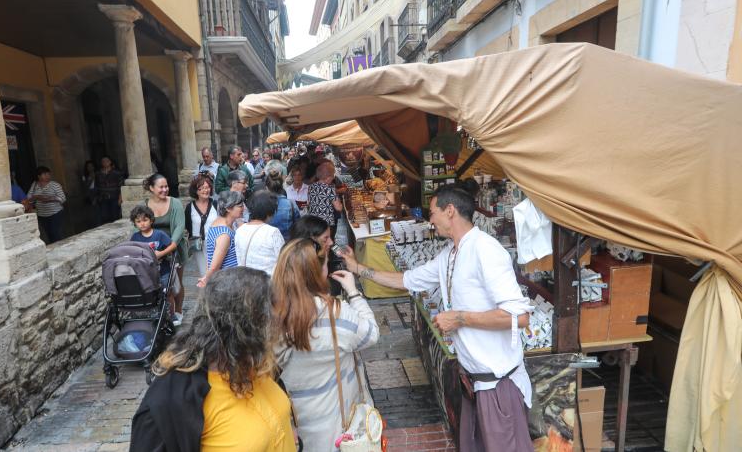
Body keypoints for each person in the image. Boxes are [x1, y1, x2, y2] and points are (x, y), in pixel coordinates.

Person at [337, 185, 534, 452]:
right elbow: (406, 280)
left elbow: (519, 316)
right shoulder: (450, 255)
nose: (430, 220)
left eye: (433, 213)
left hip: (498, 387)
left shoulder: (485, 250)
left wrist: (460, 319)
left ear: (450, 211)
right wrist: (358, 269)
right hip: (474, 383)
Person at [130, 266, 297, 452]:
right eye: (273, 309)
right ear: (248, 326)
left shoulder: (257, 364)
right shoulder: (174, 399)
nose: (281, 318)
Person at [272, 239, 378, 452]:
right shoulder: (335, 313)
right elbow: (371, 334)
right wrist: (354, 293)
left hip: (297, 421)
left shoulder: (273, 313)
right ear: (318, 272)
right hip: (338, 423)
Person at [144, 173, 188, 327]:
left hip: (174, 248)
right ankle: (166, 311)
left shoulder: (175, 203)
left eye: (166, 186)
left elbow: (179, 227)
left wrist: (170, 247)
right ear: (151, 188)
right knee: (162, 284)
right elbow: (138, 225)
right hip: (153, 251)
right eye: (161, 187)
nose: (165, 189)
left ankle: (179, 311)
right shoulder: (145, 205)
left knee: (177, 283)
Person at [129, 205, 176, 313]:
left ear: (151, 220)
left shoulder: (159, 234)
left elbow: (173, 246)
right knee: (150, 293)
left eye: (145, 220)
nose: (142, 223)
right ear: (135, 223)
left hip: (163, 271)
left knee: (167, 293)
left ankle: (171, 315)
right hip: (145, 273)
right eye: (138, 221)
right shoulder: (135, 237)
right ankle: (156, 314)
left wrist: (161, 253)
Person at [197, 190, 244, 287]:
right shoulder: (224, 234)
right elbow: (214, 266)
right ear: (228, 208)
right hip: (227, 283)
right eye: (240, 206)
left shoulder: (218, 223)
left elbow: (209, 258)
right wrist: (206, 279)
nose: (243, 208)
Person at [234, 191, 284, 276]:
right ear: (270, 211)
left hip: (245, 281)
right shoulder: (272, 232)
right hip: (267, 283)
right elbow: (283, 260)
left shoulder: (240, 230)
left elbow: (239, 258)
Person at [184, 175, 218, 279]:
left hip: (215, 243)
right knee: (204, 274)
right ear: (196, 191)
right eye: (201, 188)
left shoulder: (215, 204)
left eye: (207, 187)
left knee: (216, 272)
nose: (205, 190)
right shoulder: (190, 207)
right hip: (198, 245)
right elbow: (188, 226)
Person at [27, 166, 66, 244]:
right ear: (39, 176)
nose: (48, 176)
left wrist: (50, 199)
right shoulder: (35, 184)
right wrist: (37, 197)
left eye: (48, 174)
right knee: (49, 234)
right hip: (42, 215)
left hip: (55, 213)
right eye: (45, 174)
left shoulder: (55, 185)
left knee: (55, 233)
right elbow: (29, 198)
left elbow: (63, 198)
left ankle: (59, 248)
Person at [265, 166, 301, 241]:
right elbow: (298, 226)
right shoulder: (291, 204)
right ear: (281, 186)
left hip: (266, 244)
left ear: (266, 187)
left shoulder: (261, 204)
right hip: (286, 246)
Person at [307, 160, 342, 233]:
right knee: (327, 242)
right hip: (326, 224)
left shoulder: (311, 186)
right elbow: (338, 208)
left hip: (314, 222)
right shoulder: (329, 189)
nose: (333, 178)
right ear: (328, 176)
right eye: (332, 175)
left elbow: (309, 203)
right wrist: (337, 197)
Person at [96, 156, 124, 223]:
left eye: (106, 161)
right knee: (104, 216)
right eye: (103, 161)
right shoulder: (98, 174)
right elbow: (97, 186)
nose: (105, 163)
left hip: (114, 197)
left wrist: (120, 198)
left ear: (110, 162)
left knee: (115, 216)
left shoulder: (117, 173)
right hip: (103, 198)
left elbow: (121, 186)